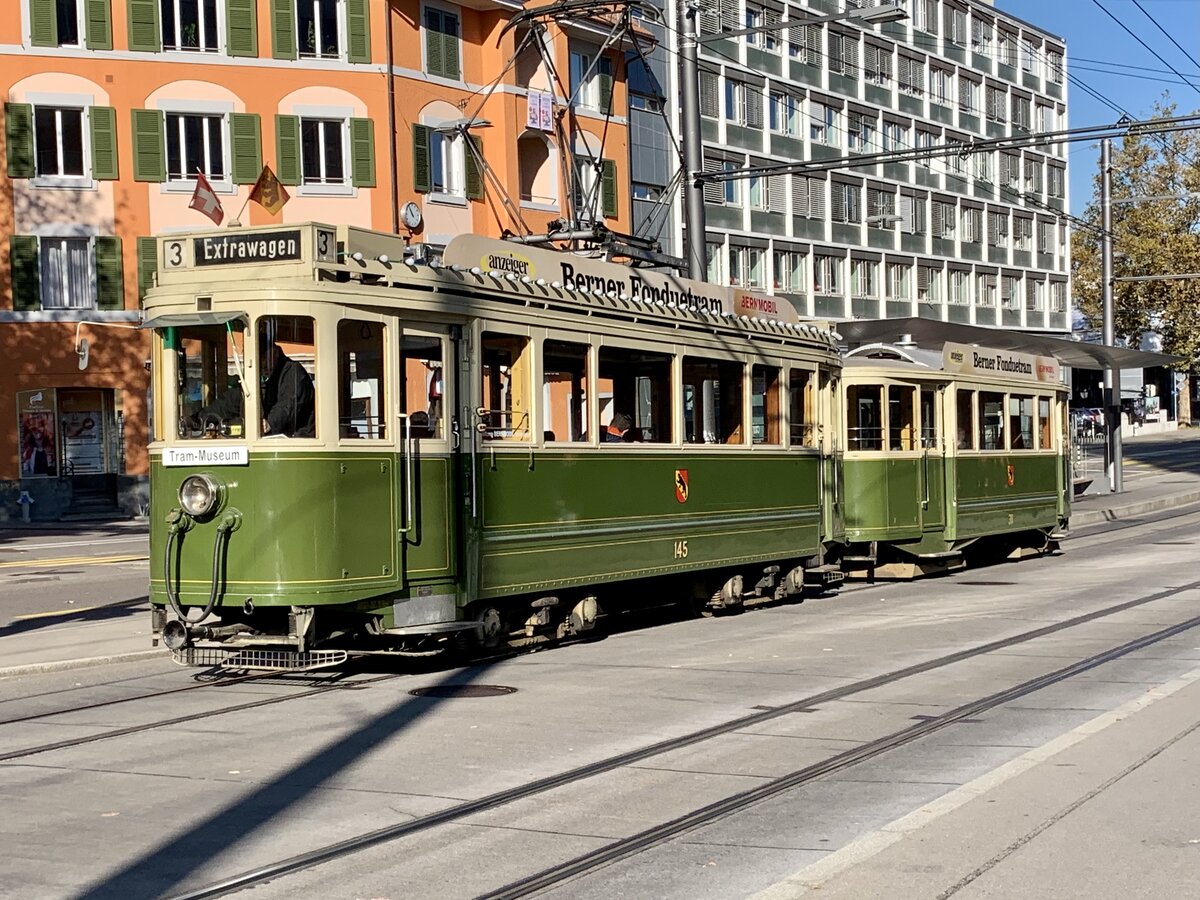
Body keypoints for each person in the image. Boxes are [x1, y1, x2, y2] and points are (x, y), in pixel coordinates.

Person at [262, 344, 315, 437]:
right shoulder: (274, 376)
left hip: (301, 438)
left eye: (263, 358)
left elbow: (289, 404)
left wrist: (270, 423)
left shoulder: (293, 371)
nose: (262, 364)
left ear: (275, 353)